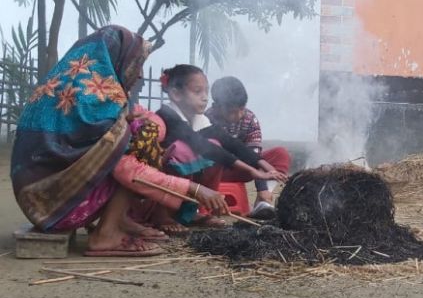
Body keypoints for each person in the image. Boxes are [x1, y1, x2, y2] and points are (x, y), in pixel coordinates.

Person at [11, 26, 228, 256]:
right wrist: (194, 189)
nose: (140, 74)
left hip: (39, 196)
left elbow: (141, 115)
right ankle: (107, 234)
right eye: (136, 64)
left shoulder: (78, 87)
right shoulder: (96, 101)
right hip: (52, 203)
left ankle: (119, 220)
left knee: (142, 130)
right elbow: (127, 170)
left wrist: (148, 123)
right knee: (140, 140)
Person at [151, 65, 284, 233]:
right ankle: (162, 215)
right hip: (155, 185)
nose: (205, 98)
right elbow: (207, 148)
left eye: (206, 92)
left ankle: (190, 213)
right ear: (176, 94)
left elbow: (230, 143)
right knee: (185, 150)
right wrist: (254, 171)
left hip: (182, 184)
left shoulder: (199, 119)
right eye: (198, 92)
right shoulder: (167, 115)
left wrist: (265, 166)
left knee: (217, 144)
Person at [206, 76, 291, 214]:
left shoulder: (250, 119)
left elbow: (254, 155)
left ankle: (262, 202)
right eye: (232, 112)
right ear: (216, 107)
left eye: (242, 109)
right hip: (215, 172)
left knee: (281, 154)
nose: (239, 115)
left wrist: (262, 188)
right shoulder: (207, 119)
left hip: (245, 169)